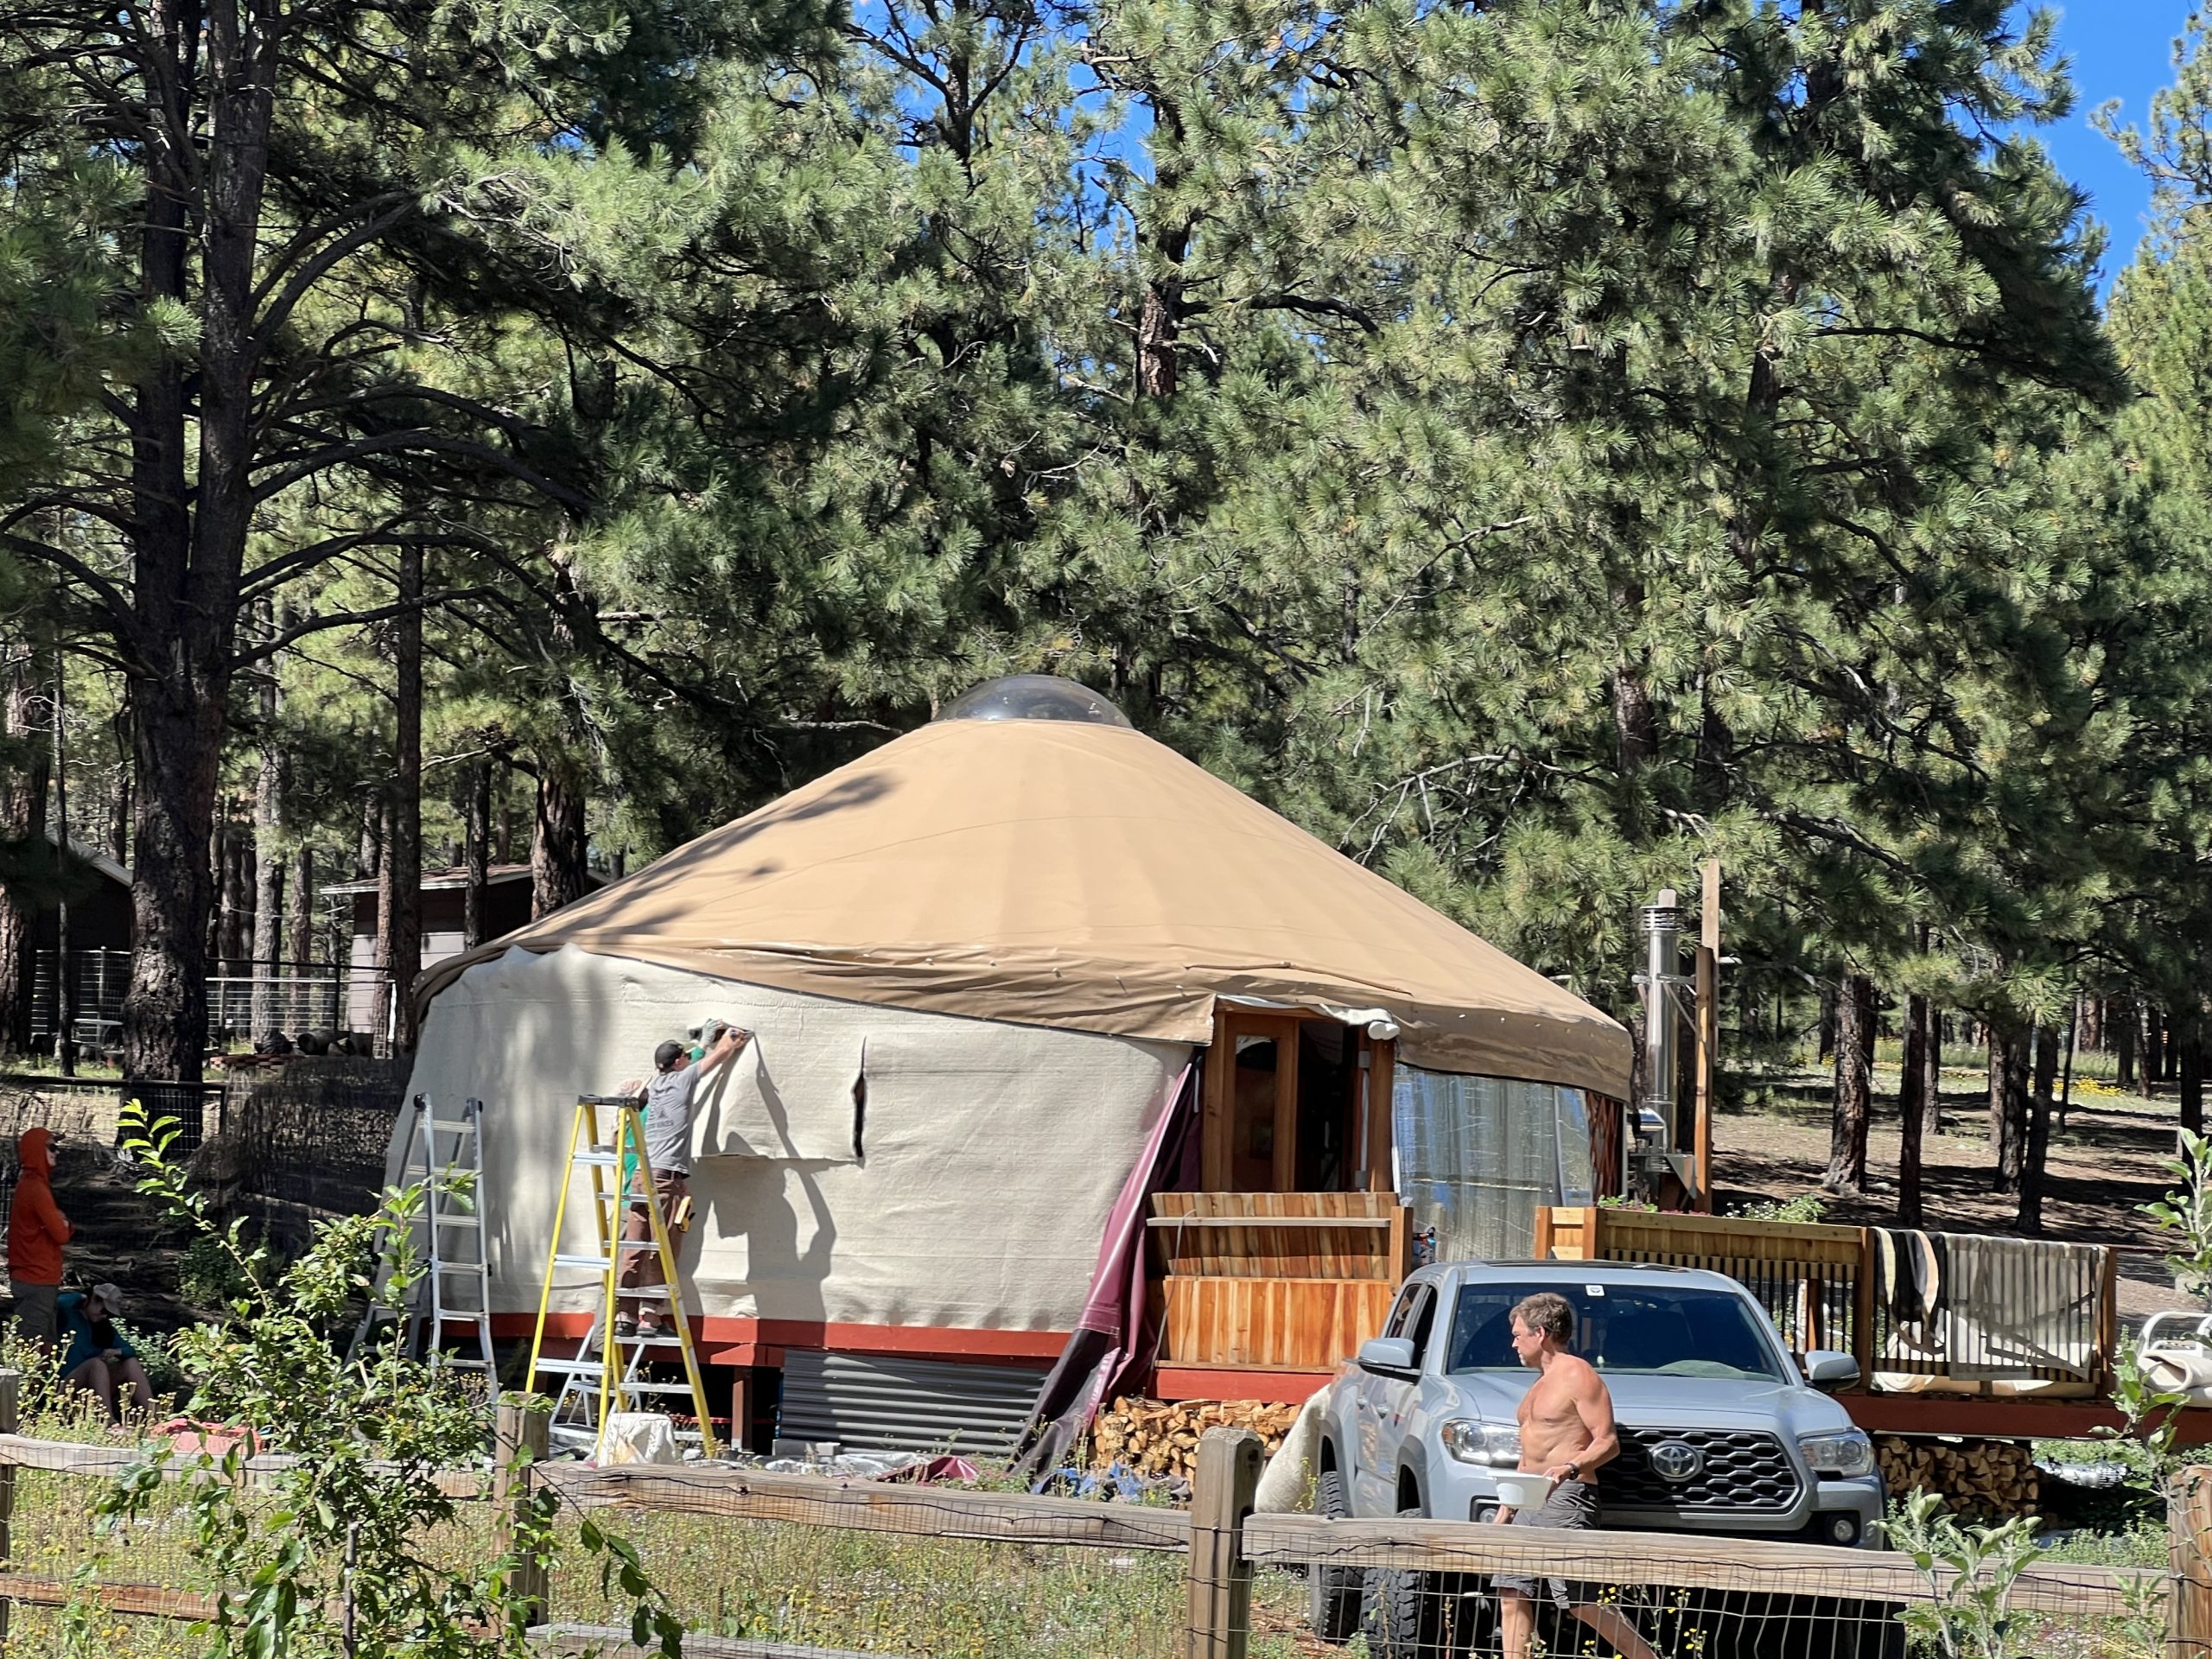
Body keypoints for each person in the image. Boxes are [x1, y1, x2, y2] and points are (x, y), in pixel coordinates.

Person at [1493, 1291, 1659, 1659]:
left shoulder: (1577, 1374)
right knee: (1512, 1590)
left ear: (1540, 1333)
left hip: (1567, 1496)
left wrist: (1572, 1467)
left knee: (1579, 1601)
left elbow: (1608, 1442)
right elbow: (1531, 1452)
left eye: (1518, 1335)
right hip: (1527, 1498)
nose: (1513, 1344)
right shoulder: (1539, 1383)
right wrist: (1507, 1506)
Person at [613, 1022, 749, 1339]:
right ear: (678, 1063)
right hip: (665, 1180)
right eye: (684, 1058)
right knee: (663, 1250)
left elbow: (693, 1060)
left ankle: (624, 1316)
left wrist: (699, 1044)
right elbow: (719, 1055)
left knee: (634, 1248)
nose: (688, 1060)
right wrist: (732, 1039)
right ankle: (650, 1319)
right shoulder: (683, 1079)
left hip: (641, 1178)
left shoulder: (656, 1086)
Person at [7, 1127, 71, 1351]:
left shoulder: (33, 1184)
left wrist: (61, 1222)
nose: (57, 1152)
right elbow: (61, 1234)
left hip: (40, 1278)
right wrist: (64, 1222)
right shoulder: (35, 1188)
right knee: (32, 1349)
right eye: (52, 1147)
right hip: (36, 1279)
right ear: (36, 1150)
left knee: (45, 1347)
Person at [58, 1282, 152, 1427]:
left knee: (130, 1362)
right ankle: (107, 1421)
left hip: (91, 1392)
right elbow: (58, 1302)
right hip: (65, 1388)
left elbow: (130, 1350)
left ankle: (155, 1417)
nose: (104, 1315)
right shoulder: (69, 1314)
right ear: (94, 1299)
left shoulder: (104, 1328)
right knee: (96, 1364)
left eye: (108, 1313)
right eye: (103, 1310)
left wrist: (117, 1352)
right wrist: (83, 1297)